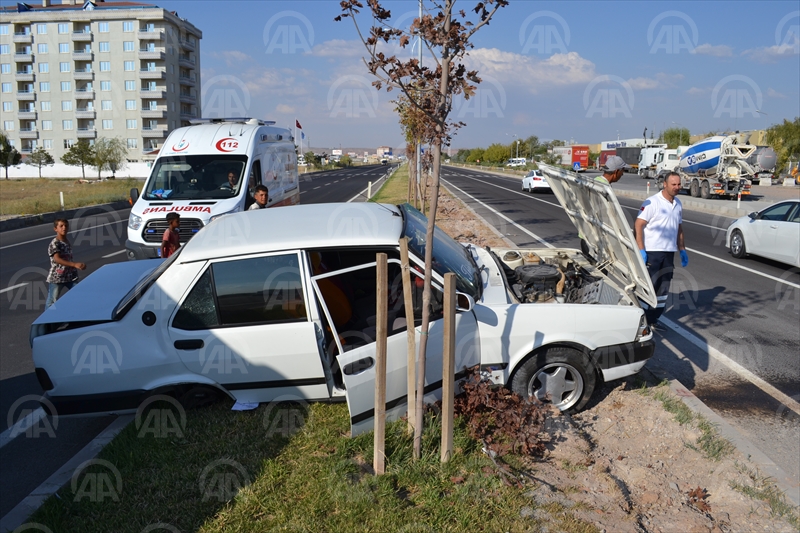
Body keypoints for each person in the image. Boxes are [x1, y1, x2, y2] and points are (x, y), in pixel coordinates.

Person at [634, 172, 689, 329]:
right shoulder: (653, 202)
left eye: (679, 184)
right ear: (665, 184)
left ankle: (653, 320)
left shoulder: (678, 203)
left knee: (663, 288)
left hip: (668, 252)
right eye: (673, 184)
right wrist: (641, 249)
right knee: (649, 287)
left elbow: (679, 228)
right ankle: (640, 320)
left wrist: (682, 249)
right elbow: (638, 224)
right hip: (652, 252)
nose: (677, 187)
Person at [579, 155, 629, 256]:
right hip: (596, 240)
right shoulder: (604, 188)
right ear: (616, 171)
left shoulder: (595, 182)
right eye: (622, 171)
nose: (623, 174)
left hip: (586, 236)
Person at [46, 218, 86, 308]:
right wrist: (74, 264)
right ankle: (47, 317)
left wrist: (79, 266)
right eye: (61, 226)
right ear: (55, 229)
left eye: (66, 226)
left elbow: (68, 258)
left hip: (70, 276)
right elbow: (57, 259)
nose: (64, 228)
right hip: (57, 277)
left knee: (80, 294)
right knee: (52, 302)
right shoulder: (55, 243)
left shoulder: (66, 241)